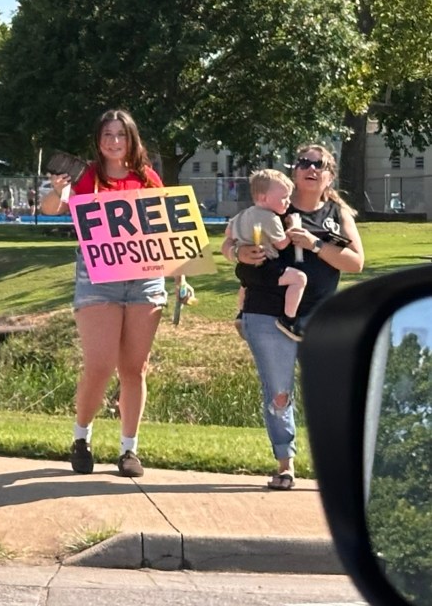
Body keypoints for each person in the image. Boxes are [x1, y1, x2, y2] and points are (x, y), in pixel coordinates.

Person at [40, 108, 190, 478]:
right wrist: (57, 190)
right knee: (100, 365)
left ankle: (129, 450)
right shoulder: (86, 177)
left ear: (132, 139)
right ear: (98, 139)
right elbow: (51, 209)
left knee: (134, 368)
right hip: (99, 278)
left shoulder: (148, 177)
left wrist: (181, 278)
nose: (114, 141)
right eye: (107, 134)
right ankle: (81, 437)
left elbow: (167, 230)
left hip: (144, 279)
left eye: (121, 134)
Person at [221, 144, 364, 490]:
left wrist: (314, 243)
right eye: (304, 162)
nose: (311, 168)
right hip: (268, 314)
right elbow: (229, 244)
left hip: (320, 317)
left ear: (330, 175)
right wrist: (239, 252)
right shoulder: (273, 204)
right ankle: (285, 466)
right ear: (294, 171)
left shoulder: (337, 214)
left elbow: (356, 263)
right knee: (279, 391)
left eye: (320, 164)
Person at [227, 169, 307, 341]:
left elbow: (229, 234)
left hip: (243, 267)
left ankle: (241, 314)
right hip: (265, 265)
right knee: (299, 279)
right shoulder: (270, 217)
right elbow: (282, 244)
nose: (288, 202)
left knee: (246, 285)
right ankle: (289, 320)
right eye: (284, 197)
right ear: (263, 197)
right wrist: (293, 228)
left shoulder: (240, 215)